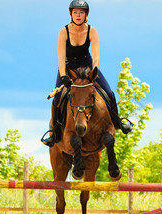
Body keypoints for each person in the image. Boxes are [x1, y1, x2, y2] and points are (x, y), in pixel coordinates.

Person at [41, 0, 132, 147]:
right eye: (75, 12)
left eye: (81, 12)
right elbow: (61, 57)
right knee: (57, 98)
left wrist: (94, 71)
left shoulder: (92, 31)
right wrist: (64, 76)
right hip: (68, 67)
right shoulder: (63, 32)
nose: (78, 15)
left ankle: (118, 122)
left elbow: (96, 57)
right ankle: (54, 133)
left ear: (86, 15)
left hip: (87, 66)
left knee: (109, 92)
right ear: (71, 14)